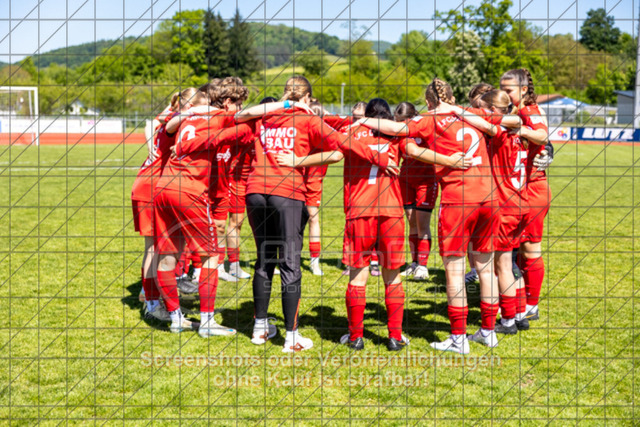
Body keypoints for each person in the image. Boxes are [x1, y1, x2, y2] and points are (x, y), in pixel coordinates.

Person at [280, 98, 472, 350]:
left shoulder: (352, 132)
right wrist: (450, 160)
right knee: (392, 277)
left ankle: (355, 337)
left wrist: (297, 160)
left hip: (360, 212)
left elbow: (334, 155)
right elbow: (417, 152)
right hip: (391, 213)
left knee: (357, 277)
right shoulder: (395, 136)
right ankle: (395, 336)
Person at [357, 78, 498, 354]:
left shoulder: (429, 119)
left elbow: (396, 129)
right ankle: (488, 331)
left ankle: (458, 339)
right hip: (489, 196)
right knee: (486, 268)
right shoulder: (472, 113)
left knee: (454, 271)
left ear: (428, 102)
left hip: (459, 199)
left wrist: (363, 121)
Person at [234, 75, 347, 353]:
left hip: (255, 191)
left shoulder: (265, 115)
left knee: (264, 259)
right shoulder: (307, 119)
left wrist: (283, 105)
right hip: (286, 193)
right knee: (290, 263)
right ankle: (291, 336)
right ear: (307, 97)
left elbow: (240, 115)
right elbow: (339, 151)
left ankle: (260, 328)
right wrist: (301, 160)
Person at [153, 83, 243, 337]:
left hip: (163, 187)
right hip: (189, 190)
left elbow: (163, 123)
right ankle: (207, 322)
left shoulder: (185, 118)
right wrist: (288, 105)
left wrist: (189, 112)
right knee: (210, 256)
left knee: (167, 257)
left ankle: (175, 319)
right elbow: (245, 117)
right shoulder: (216, 116)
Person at [131, 90, 189, 322]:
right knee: (154, 247)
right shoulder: (178, 119)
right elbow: (152, 123)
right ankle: (151, 302)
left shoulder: (170, 116)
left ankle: (150, 296)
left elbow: (151, 122)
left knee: (155, 247)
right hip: (151, 187)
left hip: (148, 184)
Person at [500, 68, 551, 323]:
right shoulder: (516, 110)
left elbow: (542, 135)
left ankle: (531, 305)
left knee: (530, 249)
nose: (504, 93)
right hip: (520, 188)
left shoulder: (528, 110)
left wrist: (524, 132)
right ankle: (521, 303)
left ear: (523, 89)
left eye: (508, 90)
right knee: (518, 249)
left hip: (532, 188)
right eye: (502, 89)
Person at [395, 102, 437, 280]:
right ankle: (414, 263)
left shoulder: (426, 129)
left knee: (422, 225)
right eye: (398, 122)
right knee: (412, 223)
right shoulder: (400, 133)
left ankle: (423, 266)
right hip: (406, 180)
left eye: (404, 121)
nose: (402, 125)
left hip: (426, 181)